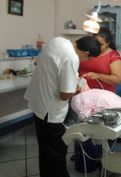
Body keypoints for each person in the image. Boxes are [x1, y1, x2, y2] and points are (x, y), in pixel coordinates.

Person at [24, 36, 101, 177]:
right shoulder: (72, 58)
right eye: (89, 59)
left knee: (46, 149)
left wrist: (72, 80)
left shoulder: (57, 41)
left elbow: (55, 72)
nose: (87, 61)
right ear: (87, 53)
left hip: (38, 103)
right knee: (57, 151)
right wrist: (76, 87)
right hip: (49, 111)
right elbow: (65, 95)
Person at [79, 27, 121, 92]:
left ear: (107, 43)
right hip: (81, 93)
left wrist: (98, 76)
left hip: (101, 96)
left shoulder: (113, 56)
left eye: (101, 45)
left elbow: (117, 79)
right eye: (95, 43)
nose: (97, 47)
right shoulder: (87, 50)